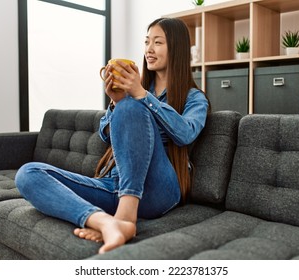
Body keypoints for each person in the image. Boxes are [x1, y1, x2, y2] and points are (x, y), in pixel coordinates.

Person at [15, 17, 209, 254]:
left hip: (159, 190)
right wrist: (117, 102)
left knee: (131, 106)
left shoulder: (194, 98)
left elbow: (186, 134)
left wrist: (140, 96)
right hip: (114, 185)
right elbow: (106, 137)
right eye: (147, 42)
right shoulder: (132, 94)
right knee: (28, 174)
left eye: (158, 43)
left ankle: (126, 218)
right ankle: (107, 223)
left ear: (176, 49)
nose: (148, 49)